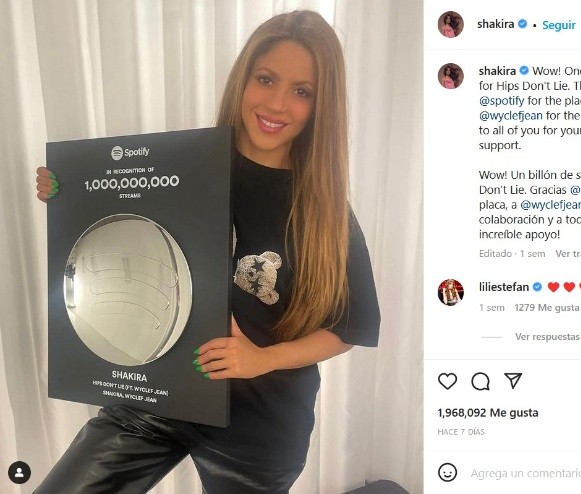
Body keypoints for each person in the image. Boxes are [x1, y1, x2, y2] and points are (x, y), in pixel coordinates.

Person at [34, 10, 380, 493]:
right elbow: (118, 226)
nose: (277, 103)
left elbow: (351, 327)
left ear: (322, 105)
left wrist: (263, 358)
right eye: (266, 79)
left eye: (302, 91)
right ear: (244, 79)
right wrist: (71, 191)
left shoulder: (324, 209)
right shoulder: (181, 168)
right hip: (160, 392)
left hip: (260, 420)